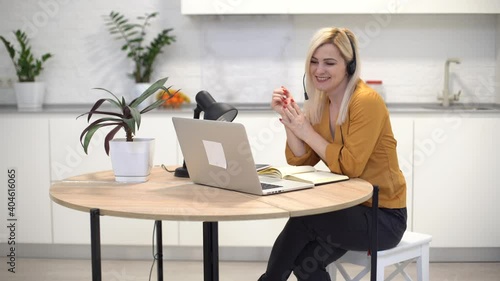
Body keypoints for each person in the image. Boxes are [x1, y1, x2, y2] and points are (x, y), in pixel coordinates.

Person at [258, 27, 407, 281]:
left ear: (349, 66)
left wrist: (307, 131)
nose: (318, 70)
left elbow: (351, 167)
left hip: (382, 217)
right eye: (314, 62)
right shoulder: (321, 102)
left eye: (329, 62)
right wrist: (290, 120)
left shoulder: (365, 102)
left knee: (305, 216)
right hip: (347, 209)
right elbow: (301, 160)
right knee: (305, 264)